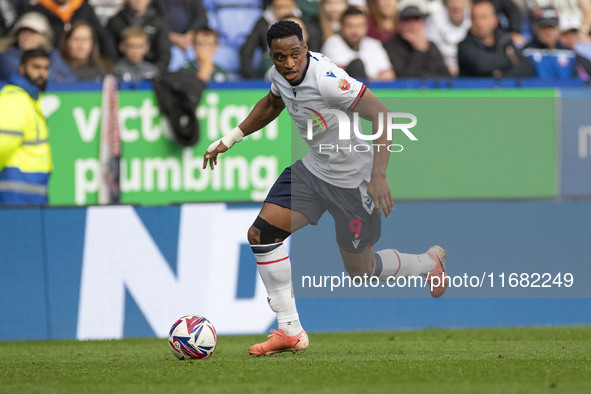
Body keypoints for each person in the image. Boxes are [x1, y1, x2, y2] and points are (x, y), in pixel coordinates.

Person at [203, 20, 448, 356]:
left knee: (360, 271)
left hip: (354, 183)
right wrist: (229, 140)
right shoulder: (280, 75)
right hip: (314, 171)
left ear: (305, 48)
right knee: (262, 234)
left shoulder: (328, 80)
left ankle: (426, 262)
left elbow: (382, 115)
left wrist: (378, 176)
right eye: (279, 57)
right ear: (271, 56)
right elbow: (272, 104)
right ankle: (290, 330)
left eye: (294, 54)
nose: (288, 63)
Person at [0, 49, 52, 205]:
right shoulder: (17, 100)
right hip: (15, 195)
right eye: (36, 67)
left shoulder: (29, 99)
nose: (41, 73)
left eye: (45, 68)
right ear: (22, 69)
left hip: (29, 193)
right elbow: (2, 145)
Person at [458, 0, 534, 76]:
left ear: (495, 19)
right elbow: (481, 65)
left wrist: (501, 76)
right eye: (474, 18)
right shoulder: (464, 46)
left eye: (483, 17)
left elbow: (526, 67)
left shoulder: (505, 41)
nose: (478, 23)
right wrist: (509, 59)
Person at [25, 0, 117, 60]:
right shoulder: (39, 9)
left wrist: (111, 61)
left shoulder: (83, 7)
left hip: (83, 62)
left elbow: (103, 36)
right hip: (54, 63)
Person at [321, 6, 395, 80]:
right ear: (342, 27)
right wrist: (375, 78)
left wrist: (368, 78)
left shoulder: (374, 45)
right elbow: (341, 78)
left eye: (360, 26)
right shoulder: (332, 44)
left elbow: (389, 76)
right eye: (350, 26)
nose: (355, 31)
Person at [0, 11, 76, 82]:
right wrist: (56, 78)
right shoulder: (6, 57)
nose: (26, 37)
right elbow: (25, 80)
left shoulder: (53, 55)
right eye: (22, 32)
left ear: (43, 37)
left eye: (32, 32)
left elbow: (71, 80)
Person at [523, 6, 591, 78]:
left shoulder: (569, 54)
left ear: (558, 29)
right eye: (544, 27)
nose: (548, 32)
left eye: (552, 28)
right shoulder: (526, 54)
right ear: (535, 28)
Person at [384, 4, 451, 78]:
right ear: (399, 24)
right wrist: (418, 51)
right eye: (407, 21)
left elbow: (446, 77)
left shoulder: (430, 45)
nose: (413, 26)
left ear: (423, 23)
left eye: (416, 20)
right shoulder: (391, 47)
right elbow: (404, 80)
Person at [240, 0, 301, 79]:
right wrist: (251, 78)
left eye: (287, 7)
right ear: (272, 7)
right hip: (271, 70)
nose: (283, 12)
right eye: (279, 7)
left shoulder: (303, 21)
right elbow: (247, 50)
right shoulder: (263, 23)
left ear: (294, 6)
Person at [107, 0, 171, 71]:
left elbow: (164, 55)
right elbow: (109, 54)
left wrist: (154, 74)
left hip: (150, 72)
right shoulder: (115, 22)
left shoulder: (159, 23)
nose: (138, 1)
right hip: (122, 71)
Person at [426, 0, 471, 76]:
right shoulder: (435, 19)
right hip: (441, 71)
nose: (456, 5)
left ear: (468, 2)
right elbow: (431, 51)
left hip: (469, 71)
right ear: (446, 3)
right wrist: (446, 68)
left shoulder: (475, 16)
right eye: (452, 1)